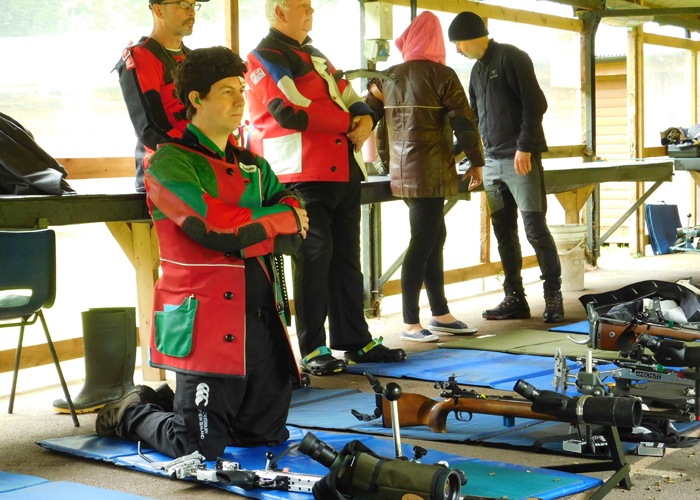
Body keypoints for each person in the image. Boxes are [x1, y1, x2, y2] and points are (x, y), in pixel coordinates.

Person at [96, 46, 310, 460]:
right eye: (226, 91)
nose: (239, 99)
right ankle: (130, 411)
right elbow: (216, 230)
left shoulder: (253, 164)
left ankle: (170, 401)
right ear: (196, 100)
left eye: (241, 89)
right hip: (207, 323)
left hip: (263, 322)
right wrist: (274, 218)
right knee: (197, 447)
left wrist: (263, 221)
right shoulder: (169, 162)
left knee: (263, 436)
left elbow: (296, 225)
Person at [245, 0, 406, 375]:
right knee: (314, 257)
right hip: (300, 174)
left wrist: (366, 120)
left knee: (347, 259)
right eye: (303, 6)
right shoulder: (264, 54)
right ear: (280, 12)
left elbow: (353, 98)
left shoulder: (316, 55)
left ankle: (354, 339)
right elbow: (289, 109)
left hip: (342, 171)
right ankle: (313, 348)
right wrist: (350, 123)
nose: (312, 11)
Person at [364, 12, 485, 342]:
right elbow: (464, 123)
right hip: (430, 171)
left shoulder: (386, 76)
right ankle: (409, 323)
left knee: (435, 238)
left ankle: (440, 313)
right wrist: (475, 161)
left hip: (401, 172)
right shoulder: (442, 75)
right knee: (422, 243)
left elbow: (362, 115)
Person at [448, 12, 564, 323]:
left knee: (535, 230)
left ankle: (553, 294)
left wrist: (525, 146)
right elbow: (474, 119)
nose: (457, 50)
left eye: (458, 43)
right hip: (492, 163)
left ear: (474, 36)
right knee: (503, 231)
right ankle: (515, 297)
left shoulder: (512, 58)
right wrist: (468, 158)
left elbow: (535, 104)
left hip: (520, 160)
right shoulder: (476, 72)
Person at [115, 0, 209, 193]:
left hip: (204, 169)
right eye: (183, 4)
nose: (192, 12)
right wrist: (199, 151)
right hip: (163, 176)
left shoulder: (195, 60)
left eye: (194, 5)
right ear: (158, 10)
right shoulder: (142, 56)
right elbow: (149, 128)